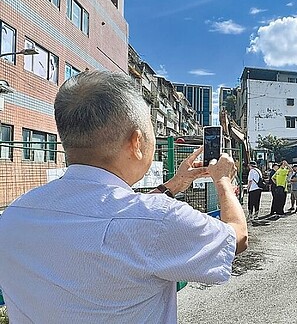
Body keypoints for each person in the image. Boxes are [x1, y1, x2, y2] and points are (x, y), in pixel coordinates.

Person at [0, 71, 248, 323]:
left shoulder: (14, 215)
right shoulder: (158, 220)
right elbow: (237, 237)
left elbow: (113, 212)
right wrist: (223, 180)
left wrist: (176, 183)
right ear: (136, 141)